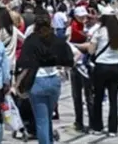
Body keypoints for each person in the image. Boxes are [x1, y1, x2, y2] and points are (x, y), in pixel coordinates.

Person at [17, 15, 73, 144]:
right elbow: (69, 58)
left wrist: (18, 83)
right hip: (54, 79)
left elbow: (25, 64)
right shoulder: (56, 40)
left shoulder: (31, 40)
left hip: (37, 81)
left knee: (41, 120)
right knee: (47, 117)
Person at [80, 8, 118, 136]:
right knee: (113, 99)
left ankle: (97, 127)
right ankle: (113, 129)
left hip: (101, 66)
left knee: (98, 97)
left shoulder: (99, 32)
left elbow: (91, 51)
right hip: (116, 67)